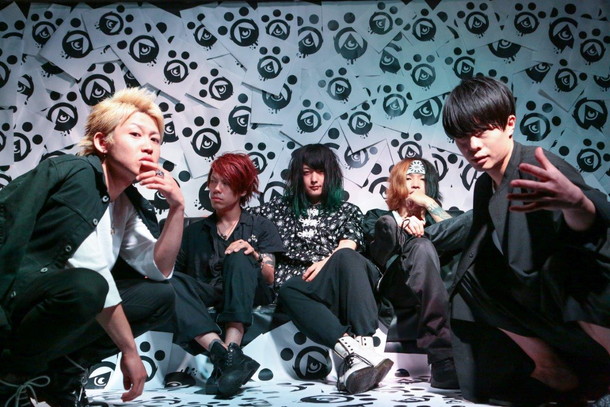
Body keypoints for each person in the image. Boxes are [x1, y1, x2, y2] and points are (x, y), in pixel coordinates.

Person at [0, 88, 184, 407]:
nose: (148, 146)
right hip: (14, 305)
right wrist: (130, 351)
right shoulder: (79, 176)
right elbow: (90, 268)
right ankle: (8, 379)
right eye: (135, 134)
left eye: (155, 139)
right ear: (102, 142)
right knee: (89, 286)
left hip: (54, 306)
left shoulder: (127, 203)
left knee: (159, 297)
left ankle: (61, 375)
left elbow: (159, 270)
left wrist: (177, 208)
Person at [442, 76, 610, 405]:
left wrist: (579, 204)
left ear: (509, 125)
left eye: (481, 131)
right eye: (461, 137)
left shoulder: (537, 166)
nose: (472, 145)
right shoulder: (485, 185)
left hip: (587, 308)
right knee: (469, 276)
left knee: (567, 267)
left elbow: (592, 233)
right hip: (542, 307)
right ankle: (552, 369)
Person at [252, 144, 393, 395]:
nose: (314, 179)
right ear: (298, 176)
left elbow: (348, 245)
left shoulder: (347, 210)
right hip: (304, 289)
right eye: (307, 173)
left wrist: (326, 261)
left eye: (320, 172)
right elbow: (239, 219)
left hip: (338, 280)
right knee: (288, 290)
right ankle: (356, 355)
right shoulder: (275, 210)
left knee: (346, 256)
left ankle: (362, 344)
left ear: (331, 175)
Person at [166, 153, 285, 397]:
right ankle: (226, 357)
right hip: (210, 292)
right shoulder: (194, 232)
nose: (216, 189)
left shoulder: (261, 226)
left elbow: (269, 279)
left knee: (239, 254)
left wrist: (254, 255)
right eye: (213, 181)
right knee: (169, 281)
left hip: (250, 291)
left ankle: (231, 347)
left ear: (242, 190)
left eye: (226, 183)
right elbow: (176, 275)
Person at [362, 157, 462, 389]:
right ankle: (442, 357)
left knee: (470, 220)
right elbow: (378, 256)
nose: (416, 184)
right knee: (418, 245)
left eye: (422, 180)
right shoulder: (377, 216)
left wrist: (429, 204)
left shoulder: (447, 216)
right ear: (398, 183)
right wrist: (402, 227)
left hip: (438, 283)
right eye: (408, 178)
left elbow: (462, 234)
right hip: (397, 285)